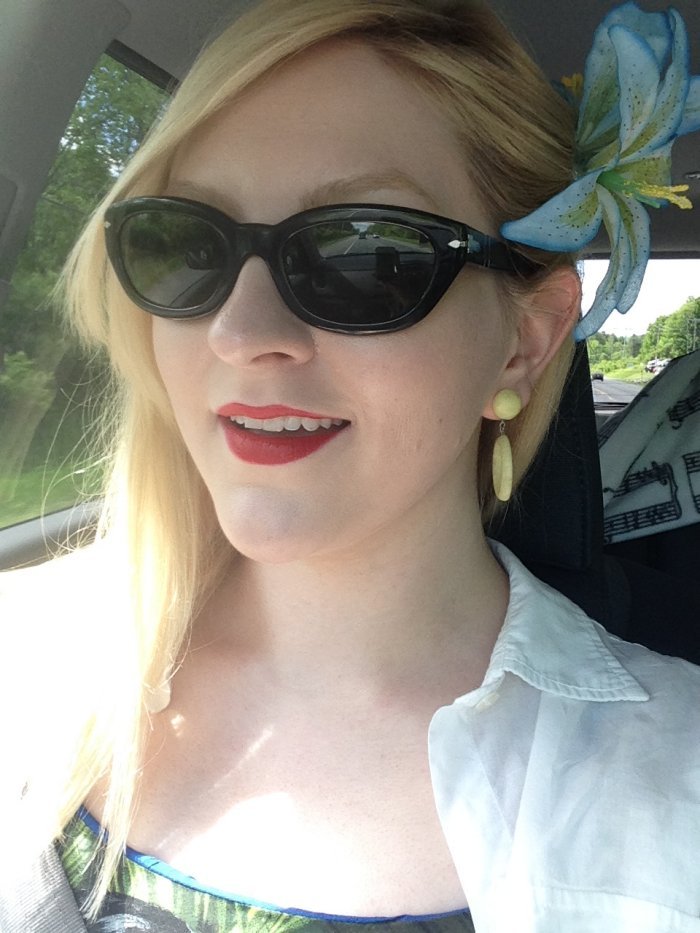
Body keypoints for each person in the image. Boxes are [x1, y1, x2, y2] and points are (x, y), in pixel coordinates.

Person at [1, 0, 699, 930]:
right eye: (189, 246)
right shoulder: (24, 653)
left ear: (524, 342)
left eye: (364, 256)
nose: (239, 332)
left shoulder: (672, 787)